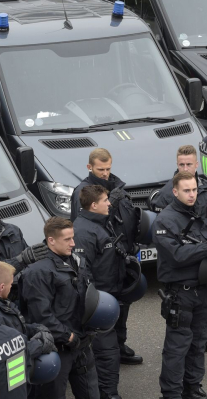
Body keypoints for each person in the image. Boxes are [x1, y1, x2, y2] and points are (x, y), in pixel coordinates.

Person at [153, 171, 207, 399]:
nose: (192, 194)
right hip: (181, 293)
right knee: (177, 348)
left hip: (203, 290)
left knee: (199, 344)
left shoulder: (203, 212)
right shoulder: (165, 220)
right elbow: (177, 256)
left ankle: (193, 387)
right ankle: (171, 393)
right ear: (175, 191)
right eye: (186, 190)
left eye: (195, 190)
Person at [70, 148, 141, 365]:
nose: (105, 173)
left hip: (119, 256)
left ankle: (119, 345)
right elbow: (88, 223)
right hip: (103, 259)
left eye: (108, 168)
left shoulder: (115, 187)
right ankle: (107, 353)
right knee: (104, 313)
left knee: (122, 306)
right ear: (89, 167)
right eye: (100, 169)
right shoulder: (83, 192)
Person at [19, 217, 99, 399]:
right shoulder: (37, 272)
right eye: (67, 239)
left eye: (73, 237)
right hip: (56, 348)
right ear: (51, 240)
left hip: (82, 342)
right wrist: (67, 336)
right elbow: (40, 315)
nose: (73, 243)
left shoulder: (77, 261)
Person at [73, 185, 132, 399]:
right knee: (106, 351)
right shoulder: (83, 232)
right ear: (93, 205)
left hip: (111, 297)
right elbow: (82, 272)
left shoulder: (100, 222)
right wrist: (95, 303)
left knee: (109, 349)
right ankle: (108, 394)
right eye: (106, 201)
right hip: (98, 303)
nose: (110, 204)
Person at [151, 144, 207, 213]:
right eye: (182, 165)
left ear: (196, 164)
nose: (185, 169)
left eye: (189, 164)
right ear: (177, 165)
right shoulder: (165, 195)